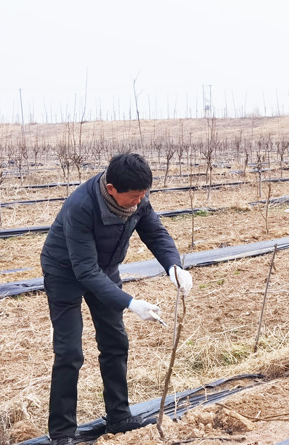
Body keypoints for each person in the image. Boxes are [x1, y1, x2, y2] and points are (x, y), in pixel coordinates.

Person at [40, 153, 193, 445]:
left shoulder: (138, 198)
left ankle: (119, 417)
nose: (140, 201)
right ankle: (62, 433)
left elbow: (156, 233)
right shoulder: (82, 206)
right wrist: (130, 302)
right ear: (111, 189)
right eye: (134, 196)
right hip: (65, 273)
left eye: (143, 194)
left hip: (104, 269)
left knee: (115, 342)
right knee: (69, 352)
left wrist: (173, 266)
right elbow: (85, 271)